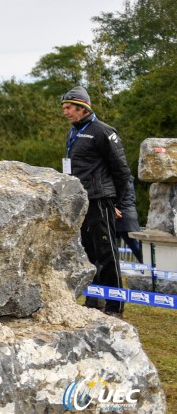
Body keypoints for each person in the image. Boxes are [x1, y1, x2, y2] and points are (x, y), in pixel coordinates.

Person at [61, 86, 132, 319]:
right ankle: (94, 301)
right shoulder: (73, 132)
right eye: (63, 108)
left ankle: (114, 307)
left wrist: (118, 203)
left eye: (69, 107)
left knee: (107, 253)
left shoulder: (103, 131)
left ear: (83, 108)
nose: (65, 112)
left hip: (101, 199)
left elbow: (121, 171)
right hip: (80, 202)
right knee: (87, 254)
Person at [116, 178, 143, 264]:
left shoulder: (121, 180)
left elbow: (117, 197)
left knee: (134, 246)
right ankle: (149, 267)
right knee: (134, 245)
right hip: (129, 214)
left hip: (122, 216)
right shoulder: (128, 180)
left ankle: (149, 267)